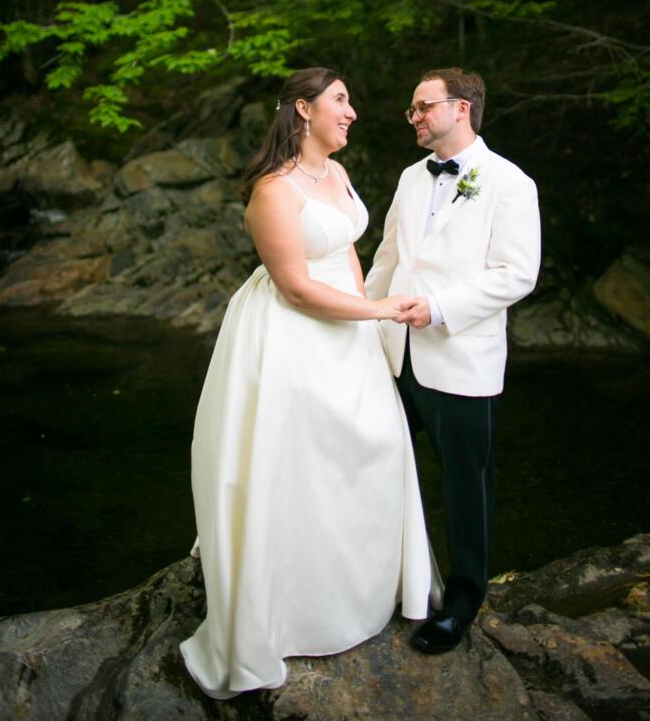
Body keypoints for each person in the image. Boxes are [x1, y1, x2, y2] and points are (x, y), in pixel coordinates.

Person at [180, 67, 440, 698]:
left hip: (349, 329)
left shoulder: (336, 174)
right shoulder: (273, 189)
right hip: (293, 338)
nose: (352, 111)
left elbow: (349, 250)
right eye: (341, 100)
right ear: (304, 110)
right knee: (299, 467)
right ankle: (296, 613)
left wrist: (369, 316)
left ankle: (366, 595)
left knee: (370, 450)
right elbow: (296, 286)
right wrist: (382, 310)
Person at [365, 67, 541, 654]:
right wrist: (360, 320)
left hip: (461, 358)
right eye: (412, 108)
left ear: (460, 109)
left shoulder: (511, 183)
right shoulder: (411, 178)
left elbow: (517, 274)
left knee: (466, 485)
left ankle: (462, 605)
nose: (413, 116)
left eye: (422, 106)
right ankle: (385, 584)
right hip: (394, 357)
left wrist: (438, 307)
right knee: (377, 469)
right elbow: (388, 258)